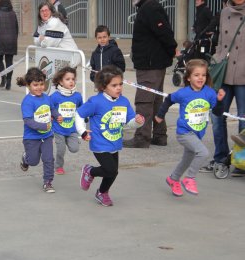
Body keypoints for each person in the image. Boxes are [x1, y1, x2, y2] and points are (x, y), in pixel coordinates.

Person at [76, 65, 145, 206]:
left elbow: (129, 123)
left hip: (115, 143)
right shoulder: (95, 102)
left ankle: (102, 192)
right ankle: (90, 171)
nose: (118, 88)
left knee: (113, 172)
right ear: (103, 86)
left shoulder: (123, 101)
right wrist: (82, 131)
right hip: (99, 143)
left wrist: (138, 122)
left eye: (120, 84)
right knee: (110, 169)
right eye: (114, 85)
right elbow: (78, 114)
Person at [155, 59, 225, 196]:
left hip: (198, 133)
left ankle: (173, 179)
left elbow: (217, 112)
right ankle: (189, 178)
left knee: (187, 159)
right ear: (188, 77)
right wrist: (160, 114)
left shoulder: (210, 93)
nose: (201, 78)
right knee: (203, 153)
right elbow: (169, 99)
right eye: (196, 75)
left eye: (203, 75)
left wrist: (220, 101)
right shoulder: (184, 93)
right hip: (184, 132)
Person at [123, 0, 177, 148]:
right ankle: (159, 135)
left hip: (150, 64)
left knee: (144, 101)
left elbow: (164, 32)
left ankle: (142, 137)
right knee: (156, 100)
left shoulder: (150, 7)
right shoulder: (148, 7)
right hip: (153, 62)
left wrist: (171, 50)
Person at [201, 0, 245, 176]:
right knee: (217, 116)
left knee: (243, 121)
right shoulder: (225, 12)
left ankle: (241, 162)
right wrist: (217, 58)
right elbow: (220, 42)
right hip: (224, 74)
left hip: (243, 75)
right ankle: (220, 158)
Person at [19, 67, 58, 193]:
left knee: (48, 159)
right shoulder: (27, 101)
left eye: (41, 84)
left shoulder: (47, 98)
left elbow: (51, 109)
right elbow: (28, 120)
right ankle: (26, 159)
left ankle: (48, 182)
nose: (39, 87)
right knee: (33, 161)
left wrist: (57, 116)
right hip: (31, 137)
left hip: (47, 135)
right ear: (28, 85)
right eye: (35, 85)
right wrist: (43, 126)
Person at [50, 67, 82, 175]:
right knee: (61, 150)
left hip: (72, 128)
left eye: (73, 79)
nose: (71, 81)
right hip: (59, 129)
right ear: (60, 81)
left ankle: (69, 141)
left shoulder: (77, 96)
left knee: (74, 149)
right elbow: (50, 107)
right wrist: (55, 115)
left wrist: (85, 116)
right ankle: (59, 166)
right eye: (67, 79)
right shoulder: (55, 96)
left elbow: (82, 108)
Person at [0, 0, 18, 91]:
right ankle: (9, 82)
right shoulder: (13, 13)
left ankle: (3, 78)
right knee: (9, 61)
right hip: (11, 40)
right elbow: (16, 27)